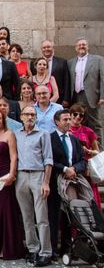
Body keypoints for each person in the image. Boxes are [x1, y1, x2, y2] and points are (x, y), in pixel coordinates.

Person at [14, 106, 54, 267]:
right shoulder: (16, 134)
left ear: (36, 117)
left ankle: (46, 252)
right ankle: (32, 248)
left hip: (38, 175)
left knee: (42, 216)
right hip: (21, 176)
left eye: (32, 114)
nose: (29, 117)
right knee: (26, 216)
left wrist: (46, 182)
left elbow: (48, 159)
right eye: (26, 114)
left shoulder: (43, 134)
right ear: (21, 117)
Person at [0, 109, 25, 260]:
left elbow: (14, 157)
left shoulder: (9, 134)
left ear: (3, 120)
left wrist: (12, 175)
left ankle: (7, 248)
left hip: (5, 175)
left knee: (6, 211)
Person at [49, 109, 88, 256]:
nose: (68, 122)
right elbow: (49, 160)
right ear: (57, 122)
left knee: (68, 216)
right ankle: (53, 249)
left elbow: (82, 161)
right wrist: (65, 168)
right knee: (54, 216)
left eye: (69, 119)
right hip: (55, 182)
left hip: (72, 183)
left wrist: (74, 169)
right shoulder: (50, 138)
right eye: (64, 119)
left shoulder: (74, 140)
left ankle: (67, 248)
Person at [68, 37, 104, 145]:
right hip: (76, 96)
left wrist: (102, 96)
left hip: (93, 97)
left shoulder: (98, 60)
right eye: (79, 45)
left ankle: (100, 152)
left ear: (88, 47)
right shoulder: (70, 62)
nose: (81, 46)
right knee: (77, 123)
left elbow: (103, 78)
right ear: (76, 48)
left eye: (84, 44)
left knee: (95, 123)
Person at [69, 102, 101, 208]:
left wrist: (88, 151)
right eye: (75, 114)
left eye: (81, 115)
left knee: (88, 197)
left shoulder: (88, 131)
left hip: (86, 169)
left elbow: (97, 152)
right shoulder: (65, 130)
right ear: (70, 114)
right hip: (70, 168)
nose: (78, 117)